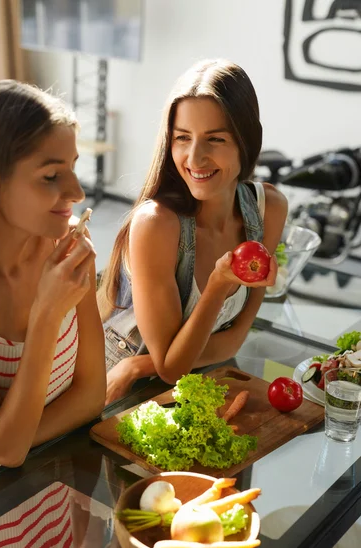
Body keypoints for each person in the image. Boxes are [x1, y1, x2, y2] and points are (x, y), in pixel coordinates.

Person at [98, 59, 288, 404]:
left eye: (215, 139)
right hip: (108, 383)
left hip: (175, 381)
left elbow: (233, 340)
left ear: (246, 141)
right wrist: (217, 286)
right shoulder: (156, 224)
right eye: (182, 138)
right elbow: (171, 367)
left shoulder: (268, 210)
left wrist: (140, 366)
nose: (194, 158)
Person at [0, 80, 106, 486]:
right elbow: (9, 451)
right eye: (50, 176)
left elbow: (93, 396)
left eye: (73, 168)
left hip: (53, 492)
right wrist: (47, 312)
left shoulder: (70, 246)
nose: (76, 192)